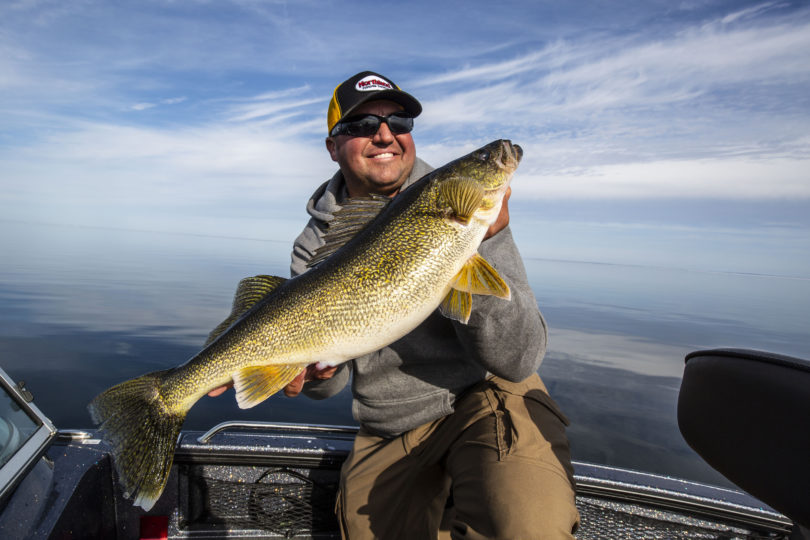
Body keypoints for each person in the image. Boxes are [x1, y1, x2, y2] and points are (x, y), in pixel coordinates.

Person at [214, 71, 579, 539]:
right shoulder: (316, 244)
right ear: (332, 146)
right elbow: (332, 377)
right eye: (362, 125)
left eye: (399, 121)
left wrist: (479, 245)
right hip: (387, 425)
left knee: (528, 526)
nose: (384, 134)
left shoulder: (459, 208)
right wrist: (315, 376)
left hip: (483, 399)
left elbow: (519, 359)